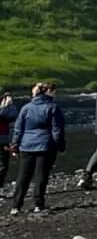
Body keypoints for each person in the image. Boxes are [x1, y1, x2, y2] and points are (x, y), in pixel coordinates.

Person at [8, 83, 64, 214]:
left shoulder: (26, 108)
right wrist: (60, 145)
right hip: (45, 144)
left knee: (23, 176)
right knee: (41, 175)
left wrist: (14, 145)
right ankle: (39, 204)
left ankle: (16, 206)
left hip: (26, 145)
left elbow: (18, 129)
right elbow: (57, 130)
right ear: (47, 93)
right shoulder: (53, 107)